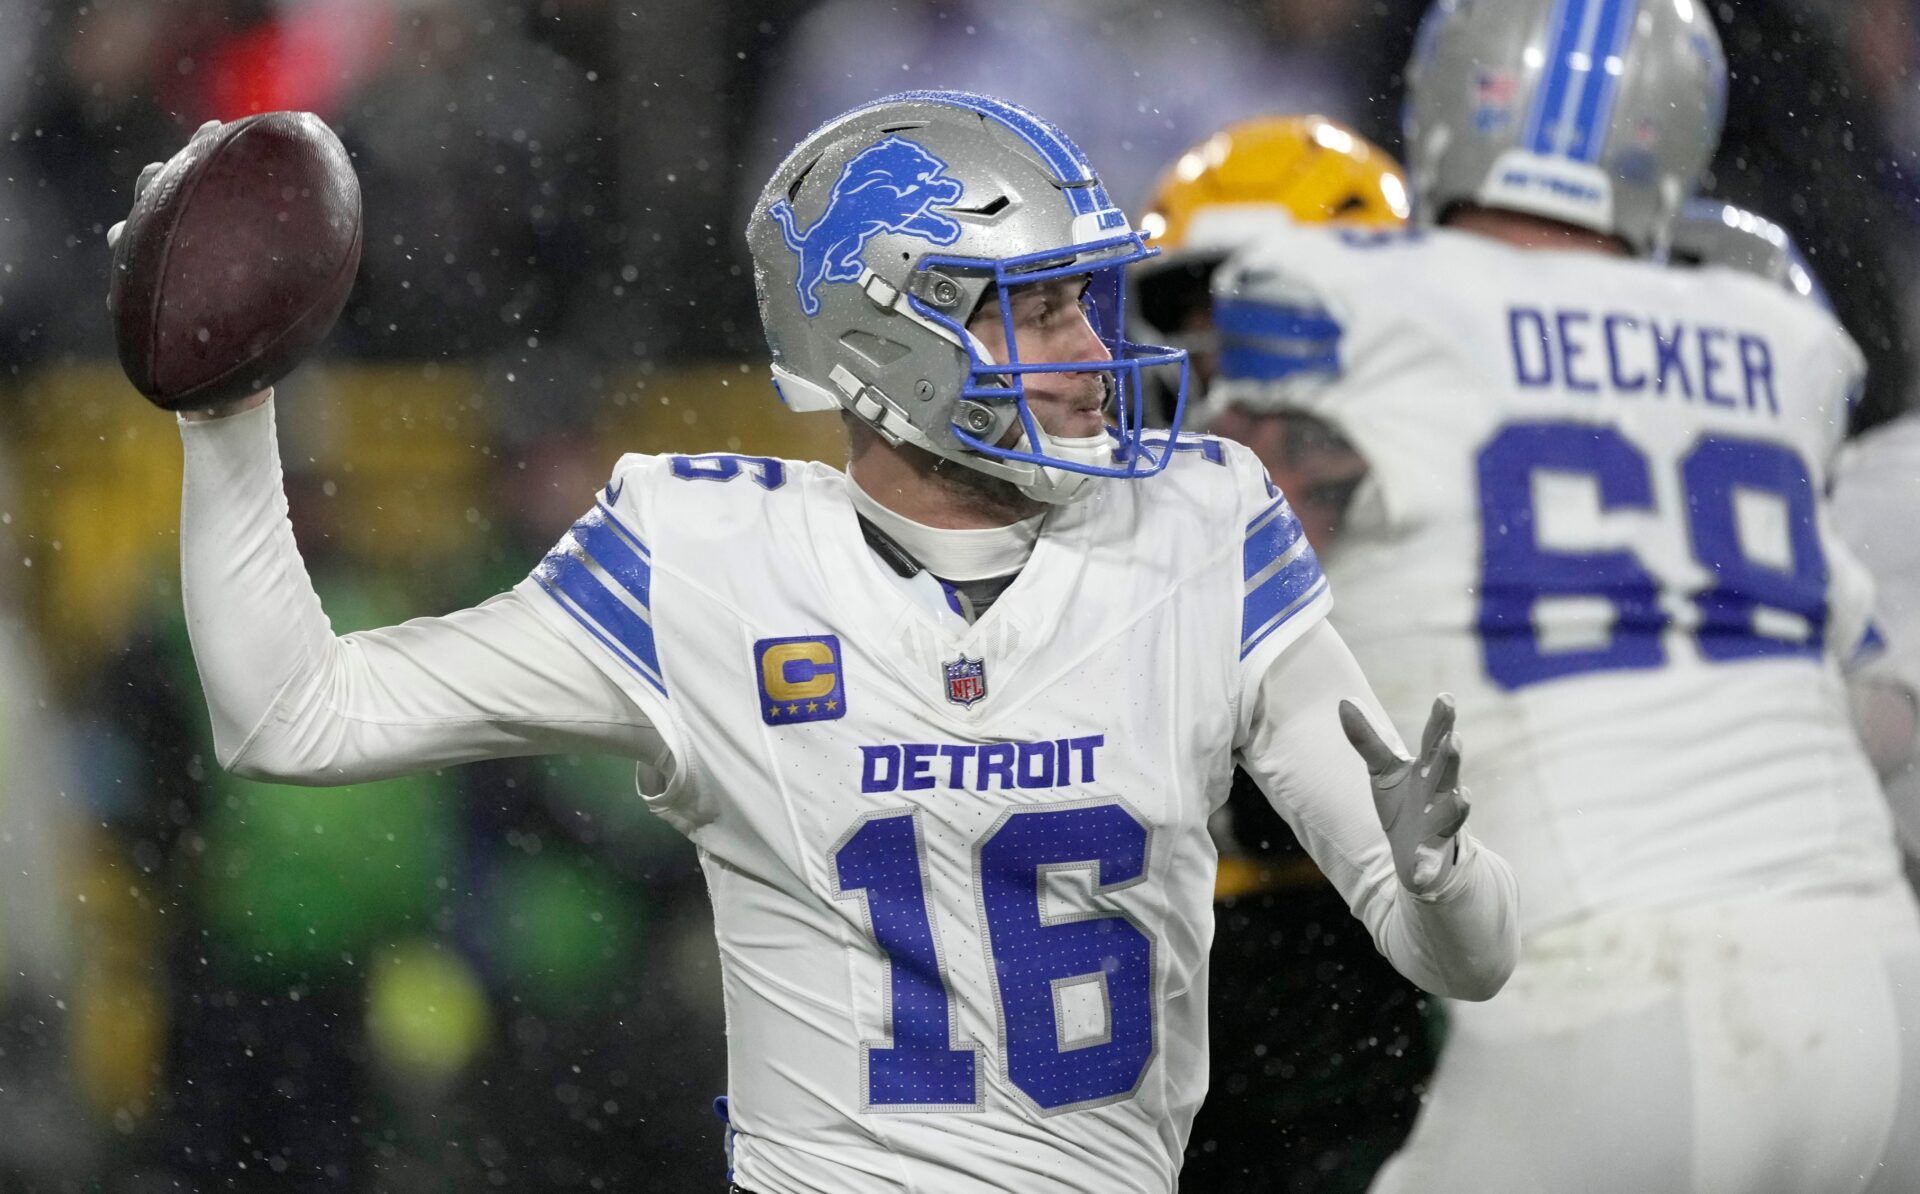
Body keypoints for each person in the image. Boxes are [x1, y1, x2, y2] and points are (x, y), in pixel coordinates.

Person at [107, 92, 1519, 1193]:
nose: (1093, 348)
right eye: (1035, 307)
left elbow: (1460, 952)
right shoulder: (709, 556)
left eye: (1083, 300)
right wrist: (225, 414)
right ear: (890, 345)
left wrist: (1440, 870)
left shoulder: (1198, 525)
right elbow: (289, 714)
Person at [1204, 4, 1920, 1190]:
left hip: (1610, 994)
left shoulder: (1338, 296)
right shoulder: (1778, 333)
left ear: (1444, 103)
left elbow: (1215, 594)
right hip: (1879, 997)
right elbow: (1877, 707)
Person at [1130, 116, 1438, 1192]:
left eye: (1272, 348)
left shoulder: (1458, 538)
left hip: (1418, 1044)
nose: (1235, 413)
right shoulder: (1134, 543)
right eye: (1211, 360)